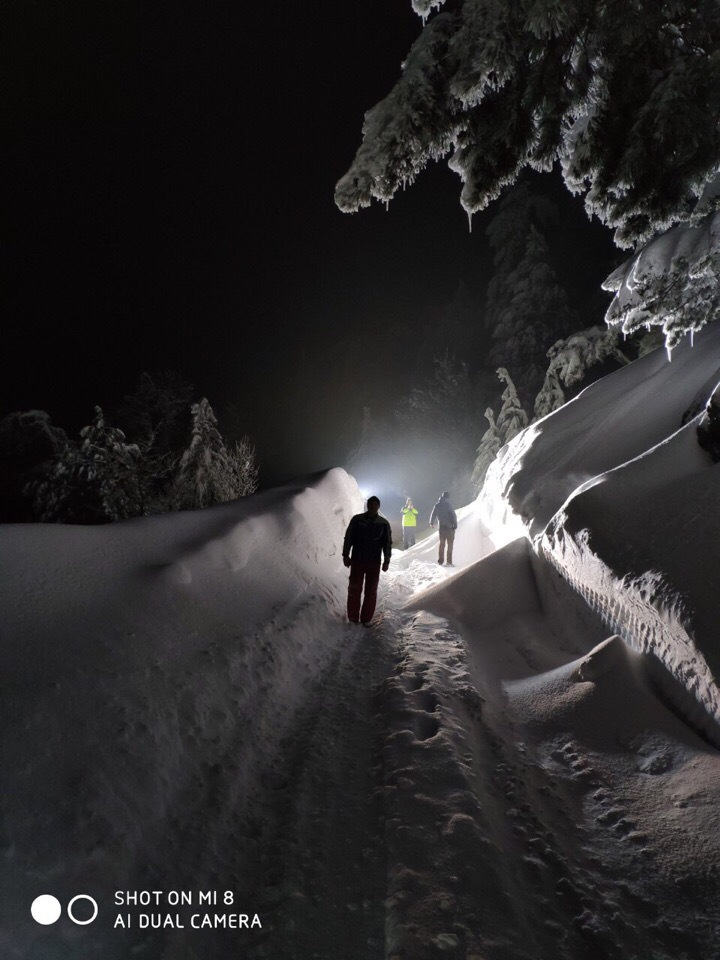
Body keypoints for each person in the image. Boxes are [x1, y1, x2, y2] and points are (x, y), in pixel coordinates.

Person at [343, 495, 392, 626]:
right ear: (367, 505)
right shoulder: (357, 520)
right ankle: (353, 619)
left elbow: (387, 543)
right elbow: (349, 538)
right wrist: (345, 555)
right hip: (357, 560)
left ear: (378, 507)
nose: (373, 507)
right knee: (354, 589)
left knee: (371, 591)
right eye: (371, 504)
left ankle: (366, 619)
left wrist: (386, 560)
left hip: (374, 562)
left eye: (376, 505)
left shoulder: (383, 523)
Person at [429, 491, 457, 566]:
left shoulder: (437, 505)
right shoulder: (449, 504)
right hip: (450, 528)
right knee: (450, 545)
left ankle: (440, 561)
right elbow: (453, 515)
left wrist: (431, 523)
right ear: (448, 497)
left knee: (442, 544)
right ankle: (449, 562)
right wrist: (455, 525)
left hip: (441, 528)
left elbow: (433, 514)